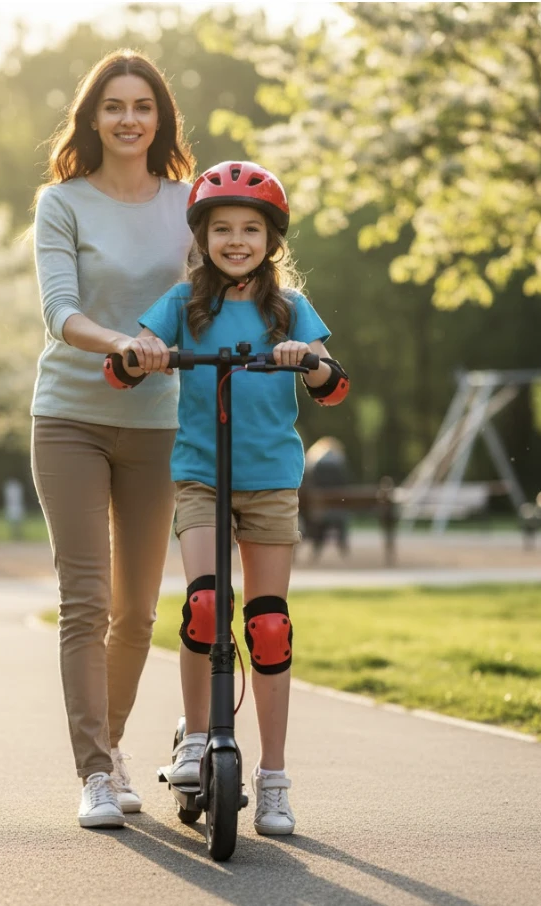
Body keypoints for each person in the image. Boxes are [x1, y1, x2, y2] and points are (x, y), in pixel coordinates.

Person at [106, 161, 349, 835]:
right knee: (208, 606)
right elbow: (130, 357)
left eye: (250, 228)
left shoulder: (290, 309)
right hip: (201, 475)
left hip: (270, 479)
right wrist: (142, 354)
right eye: (222, 229)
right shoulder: (184, 304)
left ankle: (273, 779)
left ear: (271, 238)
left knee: (268, 624)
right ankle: (193, 742)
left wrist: (308, 359)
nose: (236, 240)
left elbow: (333, 383)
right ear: (202, 236)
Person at [30, 49, 195, 829]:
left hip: (159, 423)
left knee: (137, 612)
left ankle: (115, 745)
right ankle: (94, 772)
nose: (129, 119)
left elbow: (223, 286)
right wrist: (121, 343)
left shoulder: (189, 203)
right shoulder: (60, 203)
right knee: (85, 600)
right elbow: (59, 312)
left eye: (143, 106)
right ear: (92, 118)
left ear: (160, 118)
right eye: (114, 106)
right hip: (69, 417)